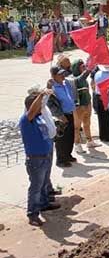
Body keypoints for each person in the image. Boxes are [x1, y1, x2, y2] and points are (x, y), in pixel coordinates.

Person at [19, 89, 61, 226]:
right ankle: (33, 214)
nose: (40, 107)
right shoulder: (26, 119)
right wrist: (41, 95)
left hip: (44, 156)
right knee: (36, 188)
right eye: (37, 105)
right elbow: (32, 110)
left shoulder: (39, 117)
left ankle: (44, 204)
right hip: (35, 159)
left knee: (43, 185)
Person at [46, 66, 77, 167]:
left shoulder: (65, 83)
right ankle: (61, 159)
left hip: (70, 113)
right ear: (54, 76)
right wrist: (59, 115)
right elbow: (50, 104)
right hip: (61, 117)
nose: (63, 76)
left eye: (63, 73)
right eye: (60, 74)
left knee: (70, 136)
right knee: (61, 139)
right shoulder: (51, 88)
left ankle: (68, 155)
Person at [70, 59, 99, 154]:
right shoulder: (75, 79)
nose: (84, 67)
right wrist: (91, 66)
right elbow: (85, 74)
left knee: (87, 123)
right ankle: (77, 144)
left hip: (87, 103)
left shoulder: (83, 79)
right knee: (77, 126)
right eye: (81, 66)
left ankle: (89, 141)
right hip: (79, 106)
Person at [92, 65, 109, 142]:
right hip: (107, 97)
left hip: (98, 96)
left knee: (101, 117)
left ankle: (102, 135)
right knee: (108, 117)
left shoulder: (97, 74)